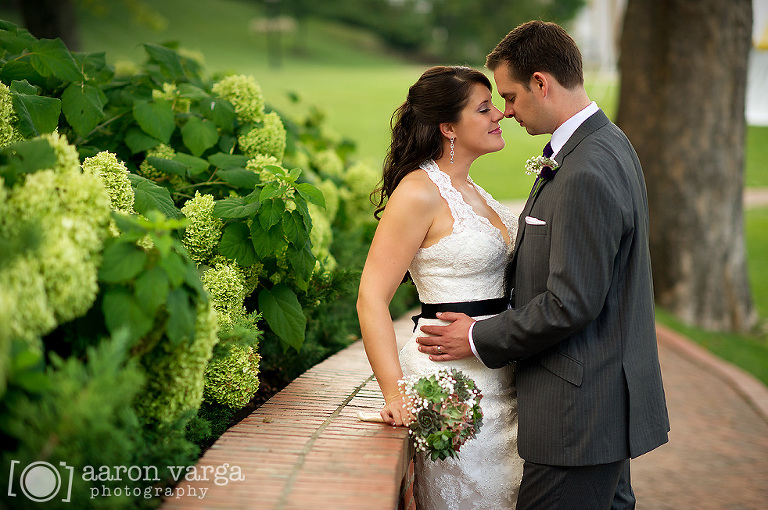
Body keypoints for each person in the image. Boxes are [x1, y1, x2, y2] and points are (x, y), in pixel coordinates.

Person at [416, 21, 670, 509]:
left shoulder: (586, 170)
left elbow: (569, 304)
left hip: (576, 417)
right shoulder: (608, 143)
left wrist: (474, 335)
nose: (506, 112)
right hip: (597, 408)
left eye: (509, 97)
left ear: (541, 83)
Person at [357, 66, 524, 509]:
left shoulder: (474, 190)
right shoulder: (418, 193)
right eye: (484, 109)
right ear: (448, 127)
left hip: (501, 375)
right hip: (448, 387)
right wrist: (394, 394)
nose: (499, 116)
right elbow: (371, 297)